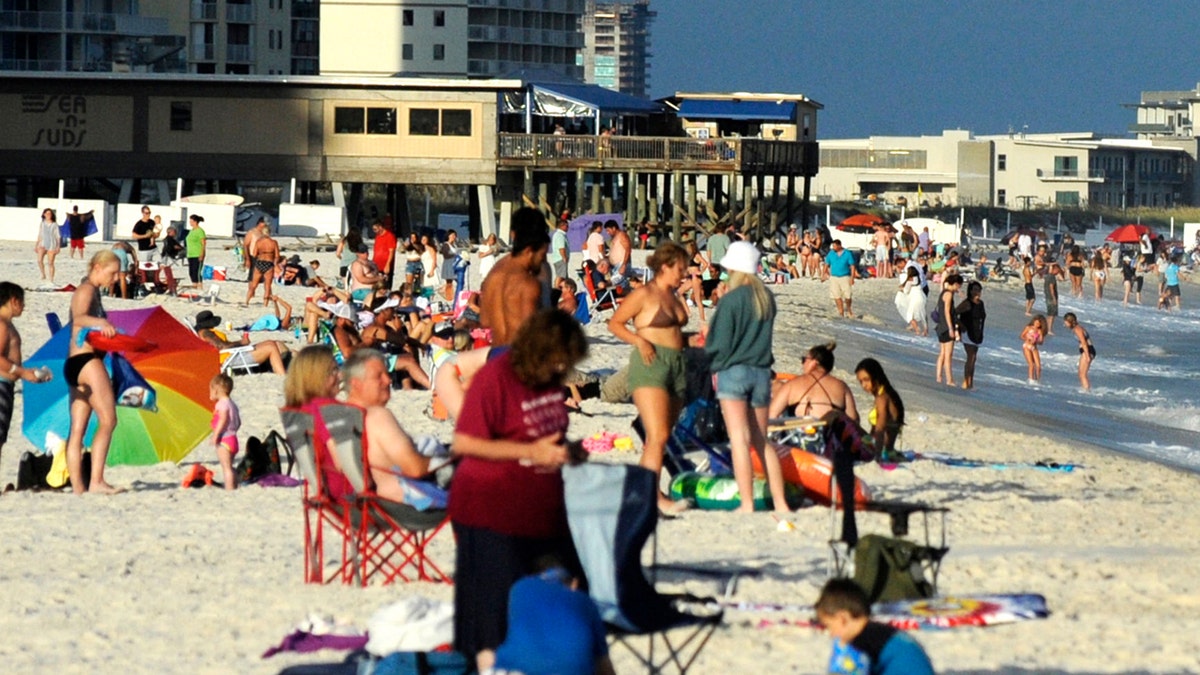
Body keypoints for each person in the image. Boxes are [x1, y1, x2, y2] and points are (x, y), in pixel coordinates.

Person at [450, 309, 588, 672]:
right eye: (559, 360)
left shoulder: (549, 379)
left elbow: (543, 431)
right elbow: (464, 443)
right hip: (489, 510)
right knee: (493, 616)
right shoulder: (496, 378)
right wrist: (531, 452)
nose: (563, 370)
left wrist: (567, 450)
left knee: (573, 588)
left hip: (544, 510)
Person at [607, 241, 691, 514]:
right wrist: (639, 342)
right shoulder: (644, 294)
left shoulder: (674, 296)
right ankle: (653, 496)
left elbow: (672, 333)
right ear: (665, 267)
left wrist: (692, 341)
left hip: (677, 365)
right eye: (680, 268)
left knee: (661, 437)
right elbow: (615, 323)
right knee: (658, 434)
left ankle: (642, 492)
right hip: (650, 364)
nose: (684, 274)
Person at [704, 241, 787, 514]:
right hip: (761, 372)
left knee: (739, 441)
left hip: (734, 372)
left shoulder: (731, 300)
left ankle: (748, 503)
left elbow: (720, 345)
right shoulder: (766, 297)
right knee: (763, 442)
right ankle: (781, 503)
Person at [64, 251, 124, 495]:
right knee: (109, 420)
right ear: (98, 267)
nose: (116, 277)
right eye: (113, 272)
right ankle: (96, 480)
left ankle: (79, 488)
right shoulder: (86, 289)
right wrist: (102, 323)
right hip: (86, 361)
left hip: (75, 364)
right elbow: (79, 318)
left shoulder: (93, 291)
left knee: (78, 429)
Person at [492, 559, 615, 675]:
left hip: (512, 669)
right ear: (574, 583)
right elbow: (604, 664)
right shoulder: (585, 601)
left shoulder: (519, 589)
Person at [342, 349, 434, 501]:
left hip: (352, 503)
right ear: (356, 384)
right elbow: (415, 469)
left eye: (387, 374)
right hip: (401, 503)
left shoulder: (340, 415)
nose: (388, 380)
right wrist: (446, 459)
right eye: (379, 376)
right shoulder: (376, 417)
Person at [815, 578, 935, 675]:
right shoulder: (882, 633)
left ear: (843, 619)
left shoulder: (860, 645)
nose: (831, 634)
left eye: (829, 626)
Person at [479, 207, 550, 346]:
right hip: (521, 356)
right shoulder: (532, 278)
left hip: (497, 354)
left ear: (512, 235)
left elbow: (485, 320)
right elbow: (532, 330)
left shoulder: (494, 273)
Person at [0, 282, 52, 467]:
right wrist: (21, 372)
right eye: (22, 302)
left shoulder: (7, 324)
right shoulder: (3, 325)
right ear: (14, 301)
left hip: (7, 384)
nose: (24, 306)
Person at [769, 342, 858, 422]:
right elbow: (854, 419)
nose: (802, 363)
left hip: (801, 434)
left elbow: (773, 415)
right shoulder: (842, 387)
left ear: (814, 362)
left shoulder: (792, 385)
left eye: (804, 359)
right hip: (830, 436)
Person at [194, 310, 290, 376]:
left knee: (272, 342)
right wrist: (242, 342)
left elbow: (224, 344)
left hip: (233, 353)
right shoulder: (206, 333)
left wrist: (241, 343)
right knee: (271, 347)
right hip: (229, 358)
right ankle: (282, 375)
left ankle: (282, 368)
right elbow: (223, 347)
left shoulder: (206, 331)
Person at [854, 358, 905, 460]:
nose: (864, 385)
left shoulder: (882, 398)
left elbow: (880, 429)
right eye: (861, 382)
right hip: (883, 447)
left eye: (866, 380)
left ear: (876, 376)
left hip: (882, 450)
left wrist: (877, 456)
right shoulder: (885, 394)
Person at [208, 373, 241, 491]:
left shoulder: (221, 404)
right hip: (233, 439)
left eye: (210, 390)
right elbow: (238, 422)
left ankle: (229, 488)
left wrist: (216, 435)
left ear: (216, 390)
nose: (210, 394)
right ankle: (235, 485)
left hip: (224, 439)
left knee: (226, 467)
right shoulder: (233, 404)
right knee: (230, 467)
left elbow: (223, 418)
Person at [956, 281, 986, 390]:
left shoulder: (981, 303)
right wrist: (960, 325)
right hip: (968, 332)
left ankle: (970, 382)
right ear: (970, 291)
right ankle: (966, 382)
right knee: (971, 357)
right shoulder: (967, 303)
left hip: (977, 333)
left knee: (974, 358)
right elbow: (954, 313)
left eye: (979, 290)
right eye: (975, 289)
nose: (977, 292)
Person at [934, 273, 963, 387]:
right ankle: (949, 379)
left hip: (940, 326)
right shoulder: (949, 295)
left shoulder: (944, 292)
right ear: (955, 284)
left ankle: (939, 377)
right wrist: (952, 328)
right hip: (946, 327)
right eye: (959, 286)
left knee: (942, 353)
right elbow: (947, 312)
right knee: (948, 354)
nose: (959, 288)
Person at [823, 239, 859, 318]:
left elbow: (852, 266)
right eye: (833, 246)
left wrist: (852, 278)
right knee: (836, 295)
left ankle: (849, 309)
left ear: (839, 245)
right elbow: (826, 264)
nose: (833, 248)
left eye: (835, 246)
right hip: (834, 277)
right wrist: (824, 274)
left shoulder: (847, 253)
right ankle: (841, 311)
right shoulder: (831, 253)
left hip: (845, 276)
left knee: (848, 296)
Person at [245, 226, 279, 306]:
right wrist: (275, 264)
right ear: (269, 233)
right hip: (269, 263)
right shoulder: (273, 242)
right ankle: (265, 304)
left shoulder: (259, 242)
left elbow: (254, 254)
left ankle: (247, 301)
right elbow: (277, 256)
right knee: (267, 286)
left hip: (260, 262)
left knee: (253, 284)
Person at [1063, 313, 1095, 392]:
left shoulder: (1077, 329)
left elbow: (1084, 342)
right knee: (1081, 373)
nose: (1064, 324)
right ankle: (1085, 388)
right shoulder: (1078, 328)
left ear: (1070, 321)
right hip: (1087, 350)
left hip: (1087, 351)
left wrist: (1087, 356)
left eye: (1065, 322)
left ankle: (1086, 390)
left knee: (1082, 374)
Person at [895, 266, 927, 336]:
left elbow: (906, 291)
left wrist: (902, 289)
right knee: (923, 314)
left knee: (910, 315)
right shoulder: (918, 279)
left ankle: (917, 329)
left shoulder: (909, 281)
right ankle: (925, 330)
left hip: (915, 298)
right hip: (922, 296)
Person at [35, 208, 62, 283]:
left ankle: (51, 279)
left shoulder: (54, 224)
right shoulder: (42, 223)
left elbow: (58, 236)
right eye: (46, 213)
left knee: (50, 263)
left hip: (52, 244)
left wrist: (58, 246)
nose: (48, 215)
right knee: (39, 260)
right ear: (44, 214)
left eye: (49, 214)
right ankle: (43, 274)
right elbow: (40, 234)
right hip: (42, 244)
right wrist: (36, 244)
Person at [1020, 314, 1047, 384]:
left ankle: (1038, 380)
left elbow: (1041, 341)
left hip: (1034, 347)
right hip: (1026, 345)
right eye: (1036, 322)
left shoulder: (1039, 331)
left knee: (1038, 366)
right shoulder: (1028, 328)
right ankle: (1030, 379)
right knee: (1031, 364)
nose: (1037, 324)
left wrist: (1036, 341)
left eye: (1038, 323)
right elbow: (1022, 336)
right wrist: (1028, 338)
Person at [371, 221, 397, 290]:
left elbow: (391, 252)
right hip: (376, 265)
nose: (374, 231)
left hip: (385, 265)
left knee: (385, 286)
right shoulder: (377, 236)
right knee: (377, 285)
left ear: (380, 227)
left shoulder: (389, 236)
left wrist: (388, 264)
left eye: (375, 229)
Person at [185, 214, 207, 290]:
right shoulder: (191, 231)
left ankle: (199, 285)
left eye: (191, 221)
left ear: (196, 222)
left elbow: (203, 243)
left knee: (197, 271)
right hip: (190, 254)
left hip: (197, 253)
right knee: (191, 272)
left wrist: (202, 253)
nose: (190, 223)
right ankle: (194, 284)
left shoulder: (200, 231)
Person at [440, 229, 463, 301]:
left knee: (456, 281)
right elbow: (446, 254)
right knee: (449, 282)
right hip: (448, 264)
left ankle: (451, 295)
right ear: (449, 236)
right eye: (452, 235)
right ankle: (449, 297)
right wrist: (455, 254)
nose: (454, 237)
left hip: (455, 264)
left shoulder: (454, 245)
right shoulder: (446, 245)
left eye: (455, 235)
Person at [1043, 260, 1062, 336]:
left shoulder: (1047, 276)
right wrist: (1054, 298)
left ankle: (1047, 328)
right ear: (1054, 269)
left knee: (1049, 314)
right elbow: (1051, 288)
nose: (1058, 272)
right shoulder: (1052, 277)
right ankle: (1049, 329)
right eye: (1057, 270)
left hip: (1048, 297)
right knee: (1052, 315)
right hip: (1051, 298)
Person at [548, 218, 570, 283]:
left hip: (558, 259)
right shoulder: (560, 235)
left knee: (562, 276)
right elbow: (561, 248)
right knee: (561, 276)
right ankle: (556, 288)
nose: (568, 227)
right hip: (560, 259)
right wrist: (564, 257)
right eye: (567, 226)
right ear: (562, 226)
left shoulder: (559, 234)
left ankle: (559, 289)